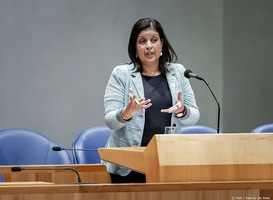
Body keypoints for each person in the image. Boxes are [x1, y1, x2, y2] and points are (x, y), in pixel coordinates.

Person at [103, 18, 200, 183]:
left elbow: (194, 117)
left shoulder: (178, 72)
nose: (149, 45)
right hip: (127, 167)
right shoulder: (121, 74)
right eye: (142, 41)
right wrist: (127, 113)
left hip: (166, 163)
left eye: (154, 40)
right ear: (135, 47)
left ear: (161, 44)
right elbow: (111, 121)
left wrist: (182, 110)